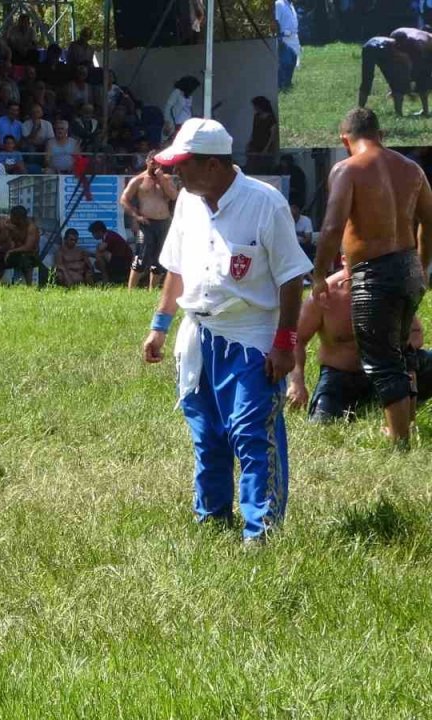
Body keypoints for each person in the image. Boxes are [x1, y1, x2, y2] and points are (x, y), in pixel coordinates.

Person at [141, 118, 311, 543]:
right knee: (207, 434)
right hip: (198, 334)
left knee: (252, 433)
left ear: (214, 165)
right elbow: (175, 269)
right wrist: (159, 327)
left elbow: (292, 278)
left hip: (252, 334)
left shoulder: (265, 203)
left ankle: (261, 532)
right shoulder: (187, 203)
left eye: (184, 164)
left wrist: (285, 344)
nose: (176, 173)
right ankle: (212, 522)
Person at [313, 108, 432, 447]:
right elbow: (429, 220)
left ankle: (400, 440)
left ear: (344, 139)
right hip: (408, 267)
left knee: (381, 360)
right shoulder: (412, 169)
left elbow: (333, 225)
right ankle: (403, 425)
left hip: (374, 273)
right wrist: (421, 266)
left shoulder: (346, 169)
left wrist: (320, 273)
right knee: (402, 350)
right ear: (381, 135)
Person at [289, 268, 432, 424]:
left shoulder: (390, 288)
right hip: (341, 377)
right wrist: (297, 382)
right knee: (322, 422)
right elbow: (297, 340)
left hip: (387, 371)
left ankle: (403, 402)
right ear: (344, 260)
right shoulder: (324, 294)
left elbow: (416, 335)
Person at [120, 153, 178, 290]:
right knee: (142, 257)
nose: (155, 165)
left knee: (160, 259)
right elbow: (124, 199)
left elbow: (174, 195)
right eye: (152, 162)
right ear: (147, 161)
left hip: (164, 222)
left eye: (157, 162)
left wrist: (161, 180)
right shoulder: (138, 180)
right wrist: (136, 216)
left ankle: (152, 289)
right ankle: (130, 290)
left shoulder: (166, 179)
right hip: (146, 223)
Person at [358, 35, 424, 117]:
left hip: (369, 46)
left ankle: (359, 109)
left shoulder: (401, 48)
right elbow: (405, 72)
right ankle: (398, 113)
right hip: (378, 49)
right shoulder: (404, 52)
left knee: (367, 80)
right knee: (396, 84)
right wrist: (407, 90)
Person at [0, 205, 41, 286]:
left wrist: (11, 251)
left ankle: (29, 286)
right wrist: (6, 229)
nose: (10, 219)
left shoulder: (31, 228)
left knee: (25, 258)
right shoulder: (10, 223)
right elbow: (4, 241)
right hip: (15, 252)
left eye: (12, 217)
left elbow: (28, 247)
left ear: (19, 219)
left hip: (30, 255)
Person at [90, 221, 133, 285]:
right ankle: (112, 278)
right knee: (97, 263)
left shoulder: (109, 235)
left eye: (93, 233)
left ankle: (106, 279)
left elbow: (100, 249)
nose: (92, 235)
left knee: (100, 254)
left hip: (124, 261)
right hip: (118, 260)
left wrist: (97, 247)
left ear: (99, 231)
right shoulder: (107, 236)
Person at [273, 0, 300, 90]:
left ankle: (288, 83)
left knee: (293, 61)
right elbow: (276, 20)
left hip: (294, 37)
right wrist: (279, 37)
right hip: (284, 38)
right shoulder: (279, 3)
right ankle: (280, 85)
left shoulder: (291, 5)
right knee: (285, 62)